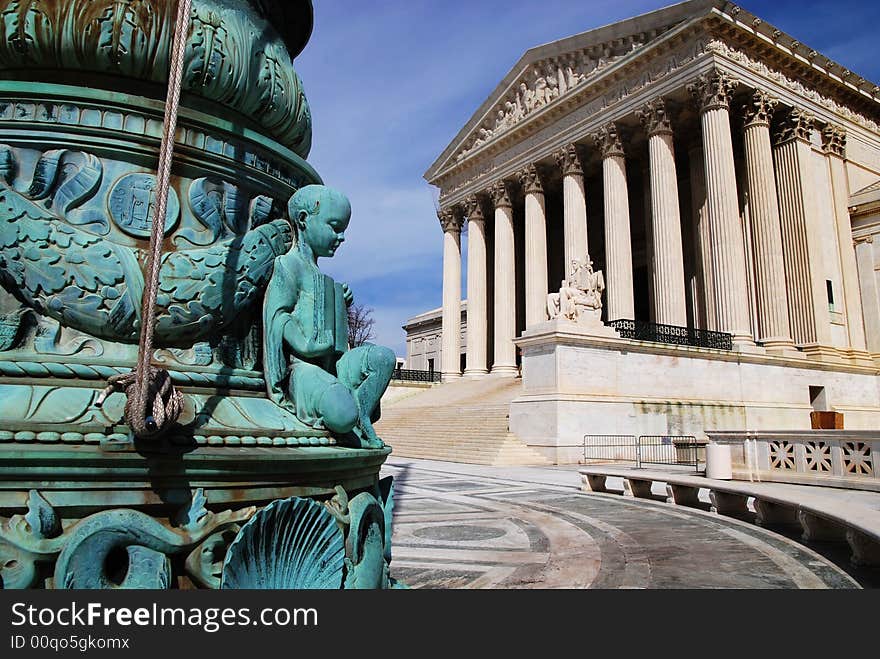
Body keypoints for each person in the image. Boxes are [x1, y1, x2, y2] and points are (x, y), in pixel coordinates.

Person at [263, 185, 395, 448]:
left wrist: (339, 305)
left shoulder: (323, 277)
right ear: (303, 220)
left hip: (335, 364)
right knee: (342, 412)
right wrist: (303, 344)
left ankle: (363, 418)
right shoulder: (288, 266)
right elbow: (277, 316)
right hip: (303, 367)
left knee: (383, 357)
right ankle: (351, 414)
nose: (342, 237)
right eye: (335, 227)